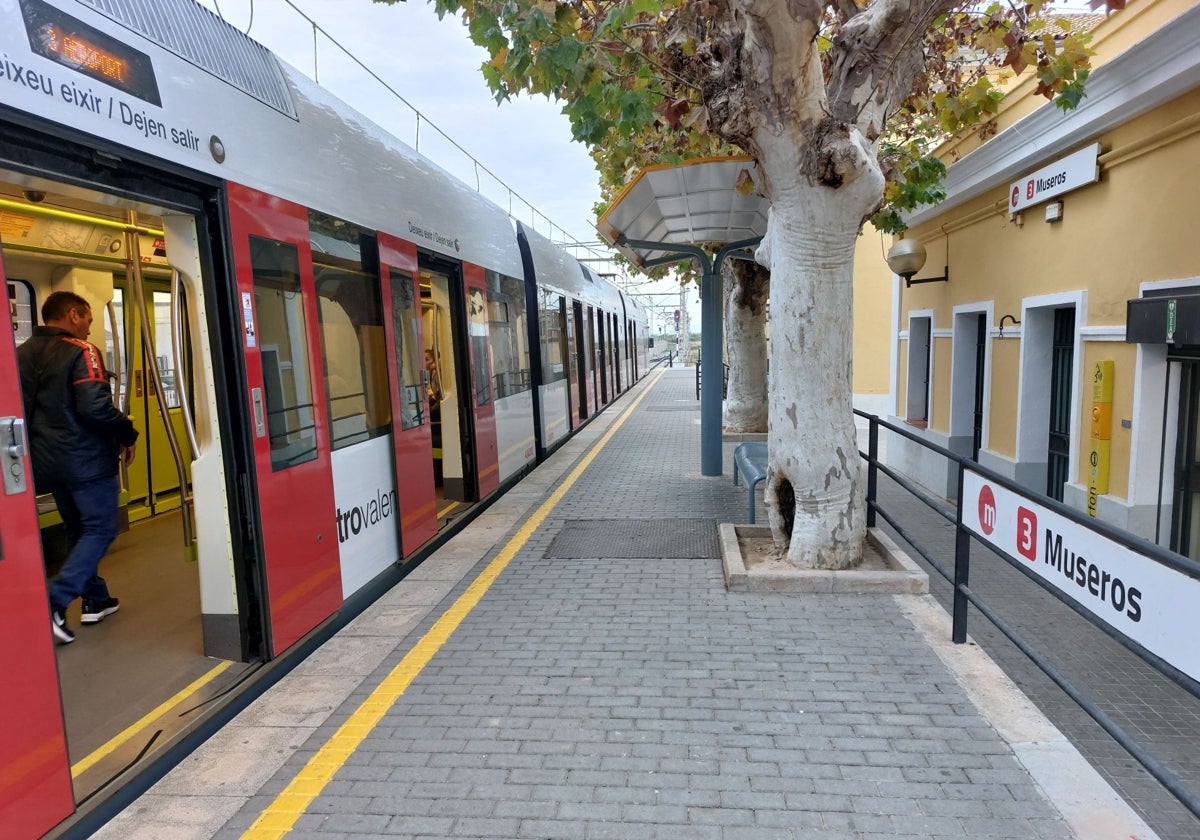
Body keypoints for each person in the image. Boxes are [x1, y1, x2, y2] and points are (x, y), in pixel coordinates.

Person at [18, 291, 138, 644]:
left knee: (76, 529)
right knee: (100, 528)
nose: (89, 327)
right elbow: (94, 408)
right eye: (87, 318)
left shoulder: (21, 354)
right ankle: (54, 601)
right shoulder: (81, 351)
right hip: (84, 461)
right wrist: (127, 433)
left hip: (45, 462)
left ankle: (95, 599)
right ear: (73, 315)